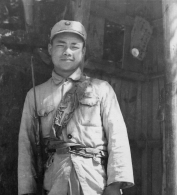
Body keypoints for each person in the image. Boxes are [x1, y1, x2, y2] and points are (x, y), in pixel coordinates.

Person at [18, 20, 134, 195]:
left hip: (94, 183)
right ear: (50, 49)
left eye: (74, 46)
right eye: (60, 45)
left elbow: (117, 137)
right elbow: (26, 146)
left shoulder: (101, 89)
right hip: (55, 182)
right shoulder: (35, 95)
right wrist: (27, 190)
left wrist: (115, 184)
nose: (67, 52)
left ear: (83, 51)